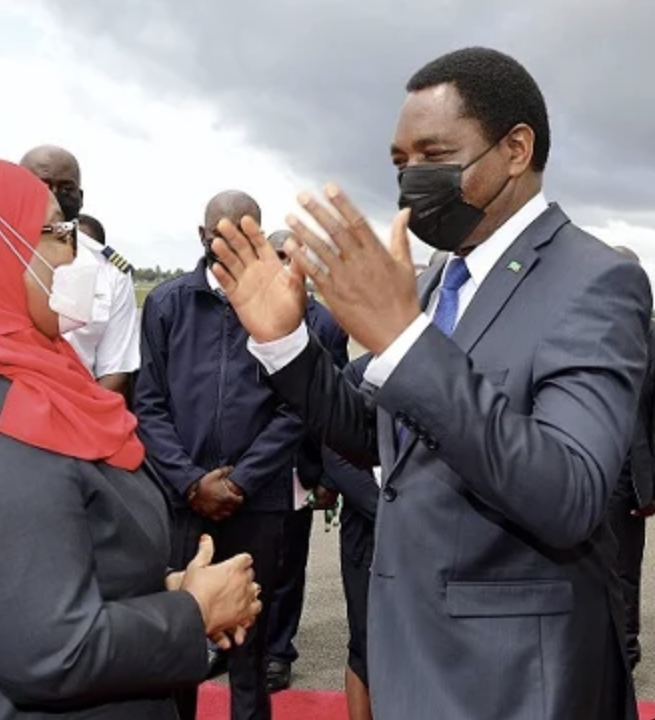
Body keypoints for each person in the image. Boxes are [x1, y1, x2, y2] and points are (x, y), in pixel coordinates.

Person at [210, 47, 652, 720]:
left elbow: (569, 492)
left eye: (434, 155)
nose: (412, 178)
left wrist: (406, 342)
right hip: (408, 651)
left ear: (515, 149)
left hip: (515, 680)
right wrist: (286, 344)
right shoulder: (435, 280)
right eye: (400, 163)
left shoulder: (595, 281)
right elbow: (380, 433)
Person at [0, 159, 262, 720]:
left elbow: (29, 573)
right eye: (56, 232)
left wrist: (157, 590)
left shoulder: (28, 382)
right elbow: (53, 653)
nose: (74, 254)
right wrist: (193, 612)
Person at [134, 192, 305, 720]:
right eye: (218, 235)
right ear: (202, 236)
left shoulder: (283, 305)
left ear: (258, 237)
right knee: (181, 634)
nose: (228, 245)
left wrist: (240, 482)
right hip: (182, 504)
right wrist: (191, 482)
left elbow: (295, 407)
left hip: (256, 503)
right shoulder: (167, 304)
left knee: (249, 642)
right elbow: (149, 405)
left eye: (242, 235)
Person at [264, 229, 348, 693]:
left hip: (298, 465)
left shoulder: (328, 324)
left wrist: (329, 475)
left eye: (291, 256)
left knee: (288, 562)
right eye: (276, 254)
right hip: (245, 463)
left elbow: (337, 405)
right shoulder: (244, 309)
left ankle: (278, 652)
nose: (283, 263)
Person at [20, 145, 139, 399]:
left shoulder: (111, 272)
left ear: (80, 197)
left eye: (66, 190)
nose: (53, 197)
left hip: (80, 408)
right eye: (41, 186)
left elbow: (115, 369)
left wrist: (79, 412)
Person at [321, 354, 379, 720]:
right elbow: (336, 455)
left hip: (433, 534)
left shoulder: (445, 366)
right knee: (363, 645)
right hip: (368, 537)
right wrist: (391, 512)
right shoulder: (358, 374)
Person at [608, 246, 655, 669]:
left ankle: (625, 654)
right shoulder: (576, 326)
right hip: (575, 468)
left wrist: (650, 483)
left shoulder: (649, 339)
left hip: (627, 477)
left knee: (623, 569)